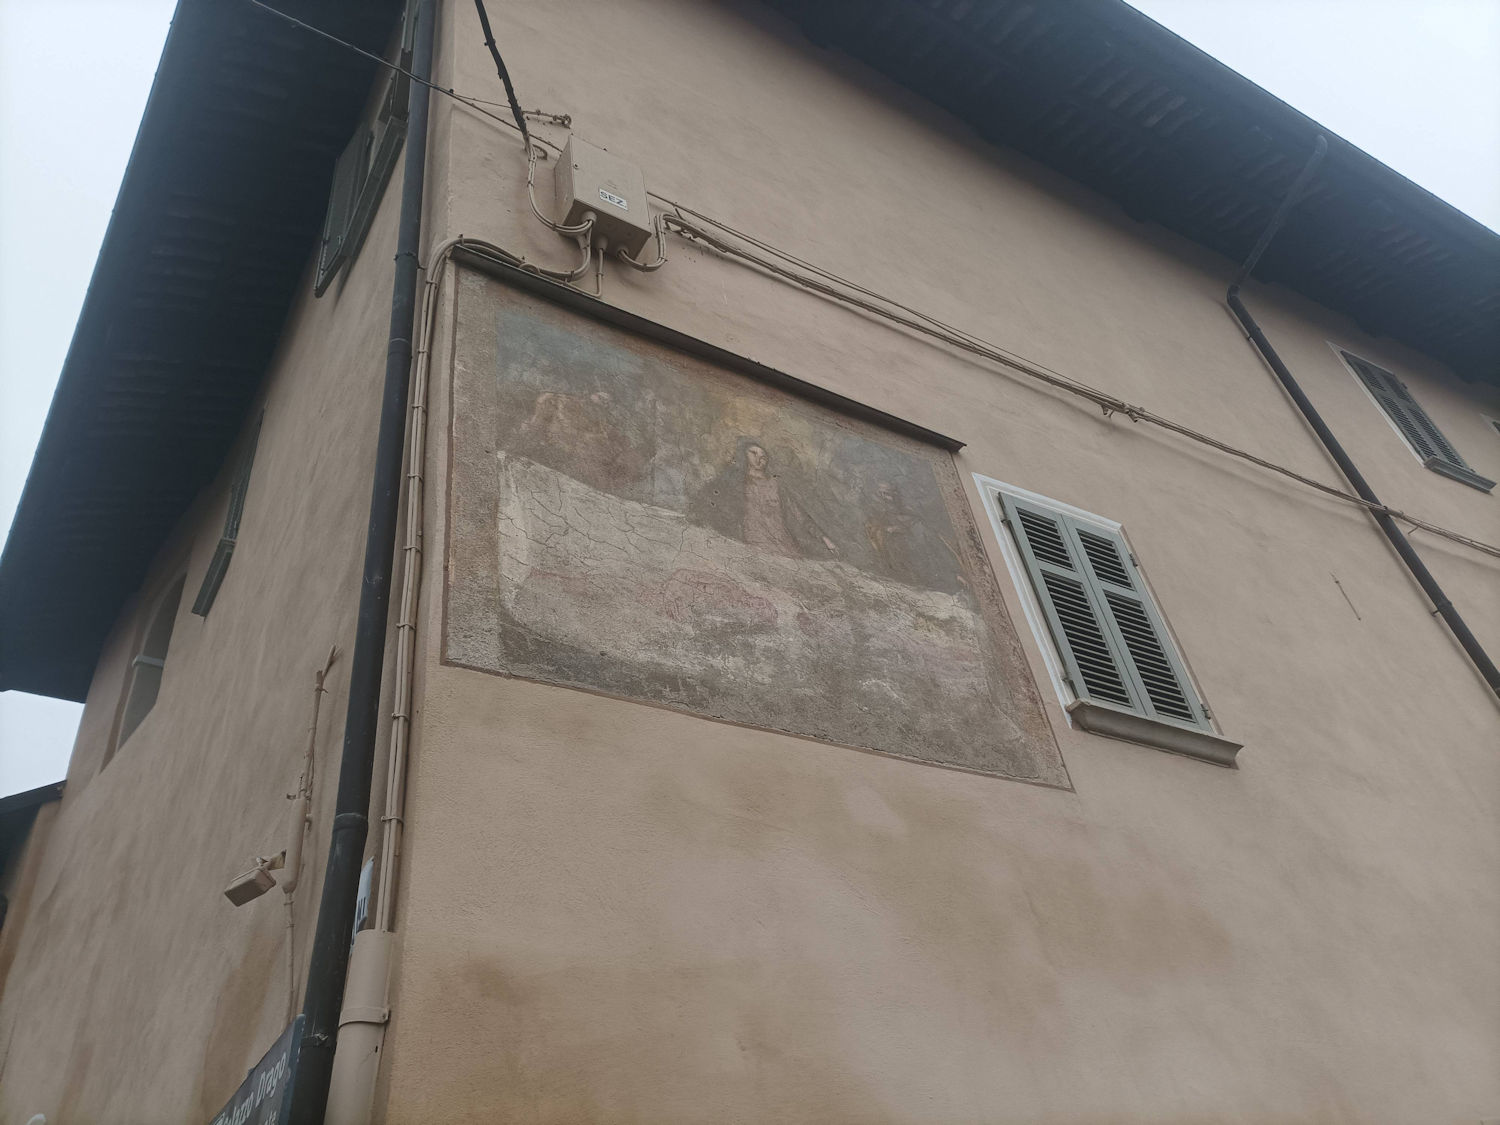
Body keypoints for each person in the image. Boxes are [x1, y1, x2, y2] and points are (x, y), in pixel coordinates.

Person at [689, 438, 838, 558]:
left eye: (763, 456)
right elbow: (711, 499)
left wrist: (825, 539)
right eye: (753, 453)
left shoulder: (776, 484)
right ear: (743, 455)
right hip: (753, 543)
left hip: (783, 544)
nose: (759, 458)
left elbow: (799, 514)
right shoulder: (734, 482)